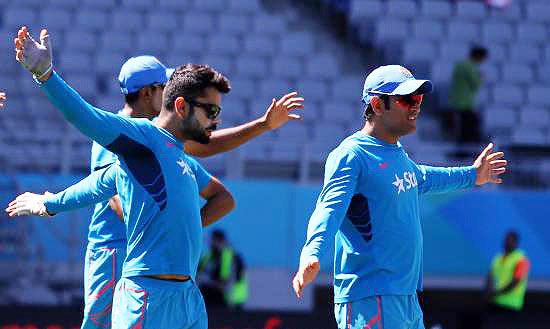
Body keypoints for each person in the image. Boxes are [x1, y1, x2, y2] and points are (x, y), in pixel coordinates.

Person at [14, 31, 303, 329]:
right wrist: (46, 74)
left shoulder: (176, 152)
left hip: (187, 297)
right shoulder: (141, 138)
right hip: (145, 293)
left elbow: (102, 182)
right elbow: (86, 119)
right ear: (179, 106)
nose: (215, 120)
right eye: (211, 111)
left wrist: (50, 203)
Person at [292, 65, 507, 329]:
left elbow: (424, 178)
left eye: (418, 99)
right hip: (370, 296)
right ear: (377, 105)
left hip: (405, 297)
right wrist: (311, 252)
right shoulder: (351, 155)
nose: (416, 106)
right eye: (406, 99)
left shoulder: (397, 154)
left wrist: (473, 175)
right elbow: (328, 208)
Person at [198, 229, 248, 310]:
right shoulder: (208, 257)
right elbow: (197, 276)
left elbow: (226, 284)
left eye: (213, 241)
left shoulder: (232, 257)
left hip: (231, 302)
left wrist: (207, 280)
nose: (210, 244)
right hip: (210, 302)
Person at [447, 46, 488, 144]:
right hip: (465, 102)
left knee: (462, 127)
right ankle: (465, 149)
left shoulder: (459, 65)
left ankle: (463, 148)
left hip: (455, 100)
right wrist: (481, 77)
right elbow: (476, 83)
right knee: (468, 127)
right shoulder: (470, 67)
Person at [485, 230, 530, 313]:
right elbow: (490, 276)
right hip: (495, 302)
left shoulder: (522, 260)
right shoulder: (498, 258)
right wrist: (489, 291)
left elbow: (516, 281)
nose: (507, 242)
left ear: (516, 243)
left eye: (510, 240)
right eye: (506, 239)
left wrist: (497, 293)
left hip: (511, 305)